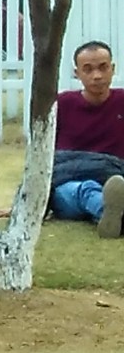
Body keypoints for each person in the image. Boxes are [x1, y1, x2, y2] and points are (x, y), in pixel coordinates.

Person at [49, 40, 124, 238]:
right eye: (88, 69)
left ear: (113, 69)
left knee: (113, 187)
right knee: (86, 190)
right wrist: (25, 202)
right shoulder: (62, 104)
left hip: (115, 177)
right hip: (70, 186)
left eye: (103, 67)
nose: (96, 76)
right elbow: (43, 156)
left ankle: (112, 214)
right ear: (77, 73)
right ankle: (111, 213)